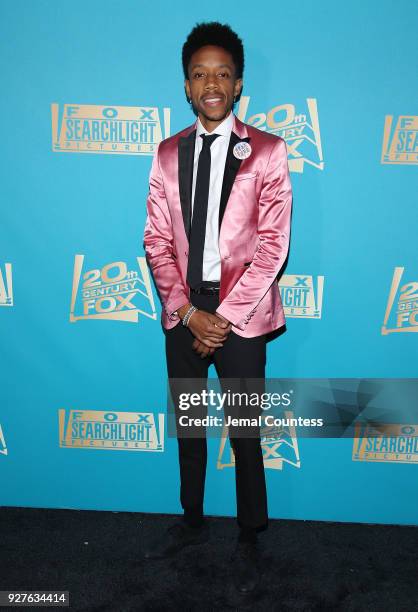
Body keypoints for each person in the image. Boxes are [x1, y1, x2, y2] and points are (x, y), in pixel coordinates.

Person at [142, 21, 293, 594]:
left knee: (246, 428)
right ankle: (191, 520)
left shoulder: (269, 152)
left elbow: (274, 243)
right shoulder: (165, 154)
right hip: (183, 315)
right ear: (186, 86)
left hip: (244, 315)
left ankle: (252, 530)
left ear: (238, 87)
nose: (211, 82)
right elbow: (156, 240)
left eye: (223, 73)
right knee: (188, 425)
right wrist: (186, 311)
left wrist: (224, 317)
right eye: (200, 73)